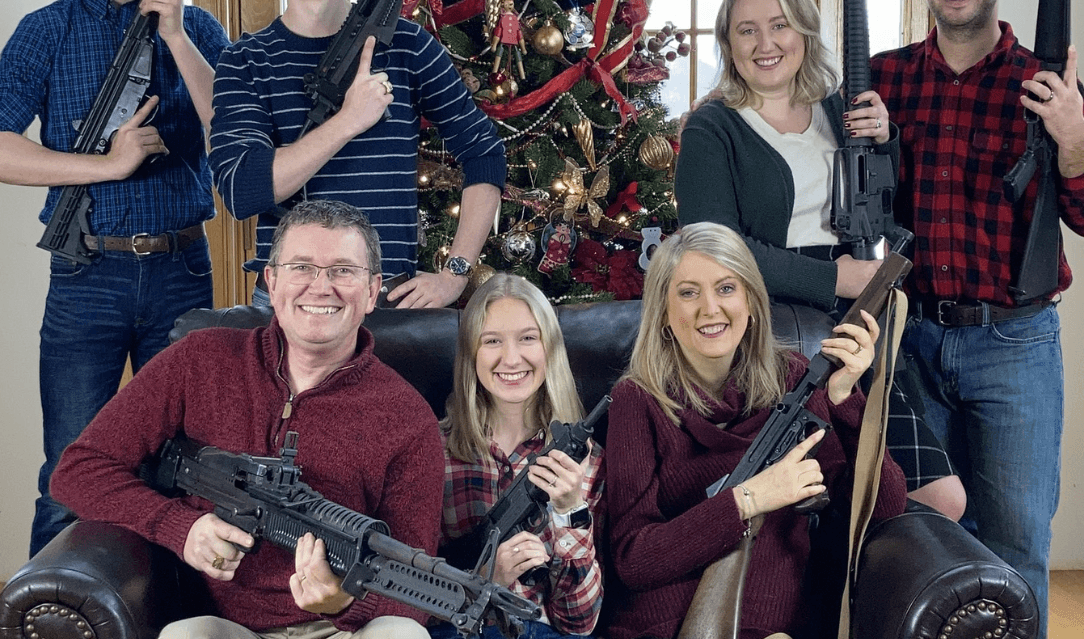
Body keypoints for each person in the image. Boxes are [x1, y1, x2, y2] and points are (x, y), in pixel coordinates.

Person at [0, 0, 230, 557]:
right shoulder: (43, 31)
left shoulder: (197, 24)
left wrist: (174, 35)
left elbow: (236, 138)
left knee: (191, 471)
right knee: (70, 471)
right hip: (88, 279)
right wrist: (104, 165)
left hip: (182, 272)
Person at [51, 199, 443, 639]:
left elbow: (415, 581)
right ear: (271, 283)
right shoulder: (198, 360)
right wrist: (181, 527)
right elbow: (78, 471)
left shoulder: (408, 417)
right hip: (224, 626)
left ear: (372, 291)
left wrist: (345, 601)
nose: (321, 286)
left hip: (346, 629)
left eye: (342, 270)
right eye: (301, 267)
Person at [674, 0, 965, 520]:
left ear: (804, 33)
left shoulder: (837, 109)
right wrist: (835, 279)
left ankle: (870, 603)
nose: (765, 44)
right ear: (728, 43)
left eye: (779, 26)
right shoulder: (713, 128)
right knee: (806, 500)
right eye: (746, 30)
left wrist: (887, 141)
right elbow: (712, 248)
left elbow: (877, 208)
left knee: (936, 496)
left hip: (860, 319)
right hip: (773, 329)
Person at [870, 0, 1084, 639]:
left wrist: (1074, 141)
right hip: (911, 338)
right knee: (918, 528)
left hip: (1014, 346)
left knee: (1017, 534)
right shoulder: (886, 79)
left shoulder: (1048, 87)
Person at [208, 0, 505, 310]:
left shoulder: (408, 45)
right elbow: (243, 191)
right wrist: (347, 121)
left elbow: (484, 153)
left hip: (387, 298)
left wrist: (454, 275)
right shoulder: (245, 61)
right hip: (291, 302)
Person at [603, 221, 906, 639]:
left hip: (775, 623)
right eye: (688, 292)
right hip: (663, 624)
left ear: (750, 299)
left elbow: (885, 509)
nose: (710, 309)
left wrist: (846, 399)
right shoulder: (636, 400)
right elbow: (633, 559)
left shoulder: (799, 379)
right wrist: (748, 499)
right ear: (664, 313)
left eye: (726, 288)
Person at [433, 274, 604, 639]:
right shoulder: (435, 452)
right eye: (492, 341)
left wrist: (570, 510)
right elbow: (409, 593)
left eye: (528, 338)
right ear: (471, 354)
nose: (512, 359)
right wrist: (484, 579)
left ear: (549, 349)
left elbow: (580, 624)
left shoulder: (584, 462)